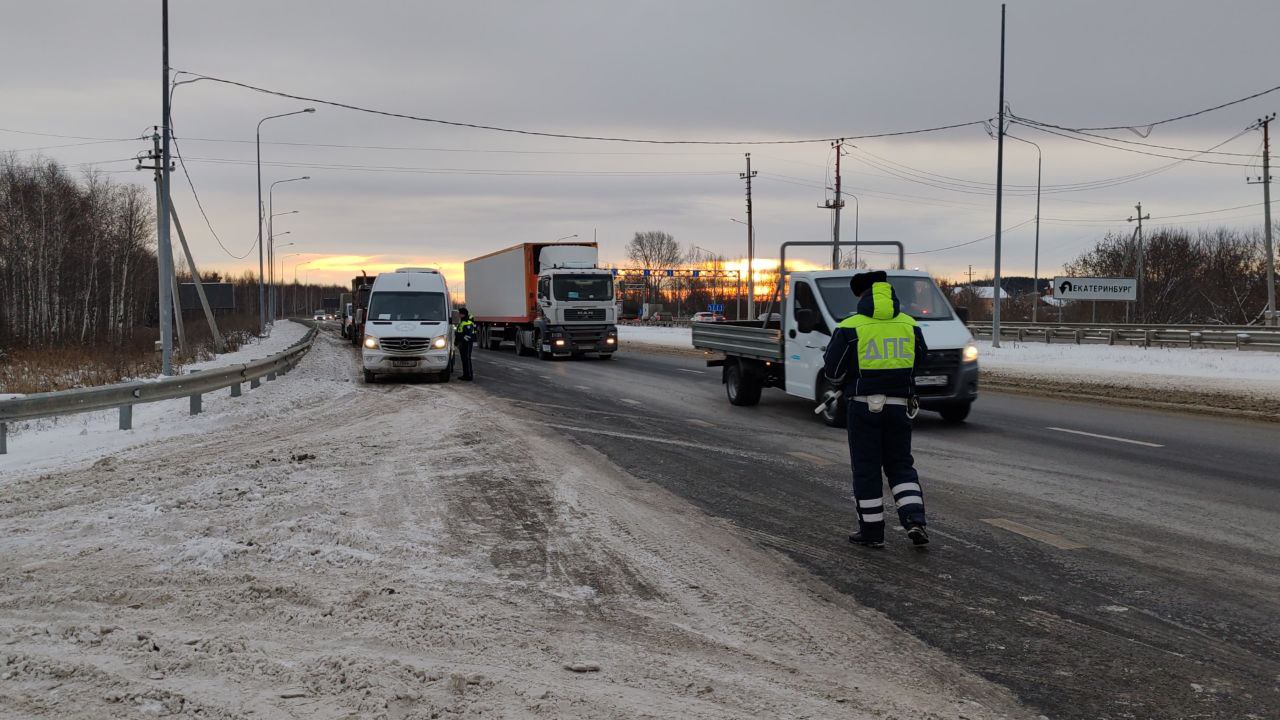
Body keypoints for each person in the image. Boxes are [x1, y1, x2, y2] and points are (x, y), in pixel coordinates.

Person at [822, 271, 930, 548]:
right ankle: (914, 520)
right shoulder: (909, 324)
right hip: (899, 406)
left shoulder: (851, 326)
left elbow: (832, 369)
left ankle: (872, 533)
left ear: (861, 296)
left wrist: (849, 381)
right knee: (900, 465)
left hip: (863, 407)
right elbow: (920, 361)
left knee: (867, 469)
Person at [454, 308, 477, 381]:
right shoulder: (462, 322)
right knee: (464, 360)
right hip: (462, 344)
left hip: (466, 344)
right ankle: (465, 375)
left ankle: (469, 376)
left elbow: (467, 336)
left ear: (463, 314)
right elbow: (459, 333)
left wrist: (462, 342)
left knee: (467, 359)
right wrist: (457, 342)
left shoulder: (467, 323)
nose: (458, 315)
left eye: (459, 313)